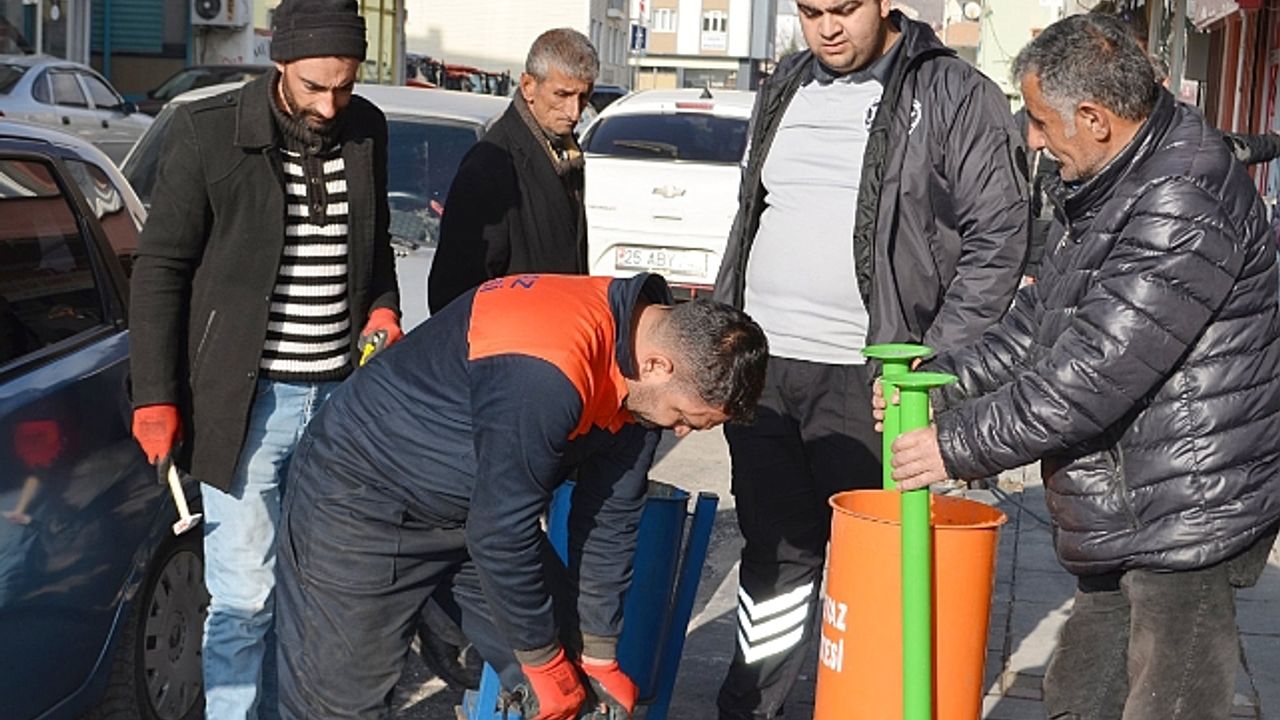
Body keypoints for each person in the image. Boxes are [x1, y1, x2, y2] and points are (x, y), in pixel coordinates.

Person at [883, 14, 1280, 719]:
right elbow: (1041, 325)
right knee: (1079, 694)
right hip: (1129, 506)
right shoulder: (1117, 180)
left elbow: (1092, 372)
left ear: (1095, 118)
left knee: (1168, 702)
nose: (1032, 139)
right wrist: (941, 383)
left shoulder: (1181, 199)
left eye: (1040, 121)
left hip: (1188, 511)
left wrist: (953, 444)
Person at [710, 0, 1028, 716]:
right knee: (774, 555)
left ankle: (871, 701)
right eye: (810, 10)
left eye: (844, 9)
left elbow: (1000, 241)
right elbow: (752, 215)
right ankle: (750, 706)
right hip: (766, 369)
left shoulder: (952, 92)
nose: (827, 27)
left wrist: (932, 367)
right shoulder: (785, 82)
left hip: (877, 381)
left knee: (876, 562)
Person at [274, 273, 768, 719]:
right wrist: (542, 661)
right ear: (658, 365)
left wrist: (598, 652)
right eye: (685, 417)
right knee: (339, 705)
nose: (680, 431)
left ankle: (460, 638)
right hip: (361, 502)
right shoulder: (547, 365)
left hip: (475, 513)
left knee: (580, 684)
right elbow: (501, 533)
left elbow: (610, 515)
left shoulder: (641, 377)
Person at [127, 1, 402, 716]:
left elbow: (372, 246)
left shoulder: (366, 129)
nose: (330, 104)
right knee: (245, 595)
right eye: (314, 86)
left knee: (310, 594)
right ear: (279, 62)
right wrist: (154, 394)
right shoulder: (207, 131)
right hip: (244, 405)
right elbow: (159, 270)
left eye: (344, 86)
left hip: (339, 405)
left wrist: (383, 308)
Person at [427, 28, 596, 312]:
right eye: (562, 95)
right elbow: (454, 294)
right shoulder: (489, 166)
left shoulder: (564, 152)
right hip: (517, 333)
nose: (574, 112)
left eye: (584, 96)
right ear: (528, 86)